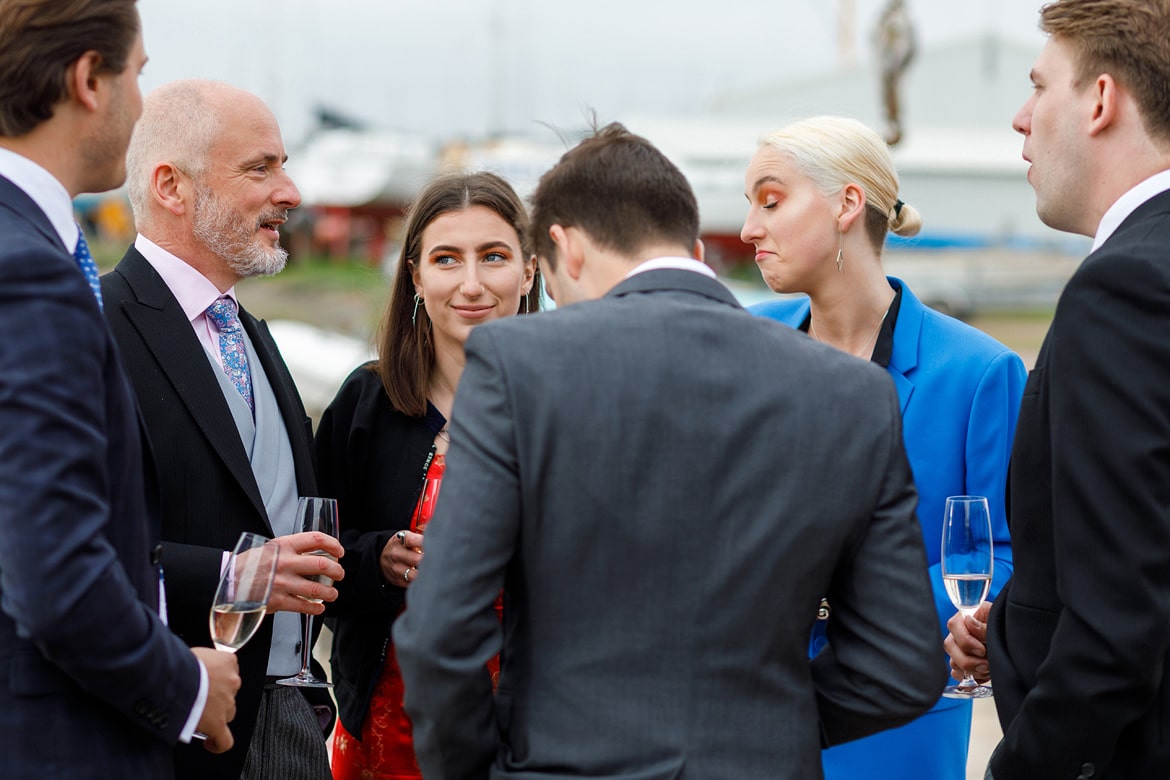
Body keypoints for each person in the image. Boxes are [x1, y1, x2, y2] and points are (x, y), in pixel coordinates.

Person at [392, 122, 945, 780]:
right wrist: (770, 729)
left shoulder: (518, 366)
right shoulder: (853, 393)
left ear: (565, 249)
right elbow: (903, 665)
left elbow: (440, 633)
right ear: (692, 242)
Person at [742, 115, 1026, 780]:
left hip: (899, 717)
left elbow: (1007, 554)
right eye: (749, 205)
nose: (751, 228)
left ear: (847, 204)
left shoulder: (981, 372)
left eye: (771, 201)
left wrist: (857, 618)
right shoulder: (743, 341)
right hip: (749, 708)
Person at [0, 3, 241, 777]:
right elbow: (57, 579)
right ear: (88, 81)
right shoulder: (30, 270)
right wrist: (187, 687)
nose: (143, 102)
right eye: (137, 73)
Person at [945, 1, 1170, 777]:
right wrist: (1010, 630)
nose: (1020, 117)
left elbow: (1116, 628)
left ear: (1101, 101)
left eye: (1040, 86)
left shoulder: (1126, 285)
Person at [100, 79, 345, 780]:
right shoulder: (98, 333)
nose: (291, 191)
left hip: (294, 717)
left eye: (284, 165)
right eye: (260, 168)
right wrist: (238, 575)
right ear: (172, 187)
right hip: (175, 736)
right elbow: (72, 554)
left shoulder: (253, 334)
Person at [316, 170, 538, 780]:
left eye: (494, 257)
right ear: (416, 275)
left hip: (537, 732)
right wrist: (378, 559)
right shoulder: (367, 401)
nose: (471, 284)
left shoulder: (568, 406)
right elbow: (311, 545)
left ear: (529, 269)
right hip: (388, 729)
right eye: (446, 259)